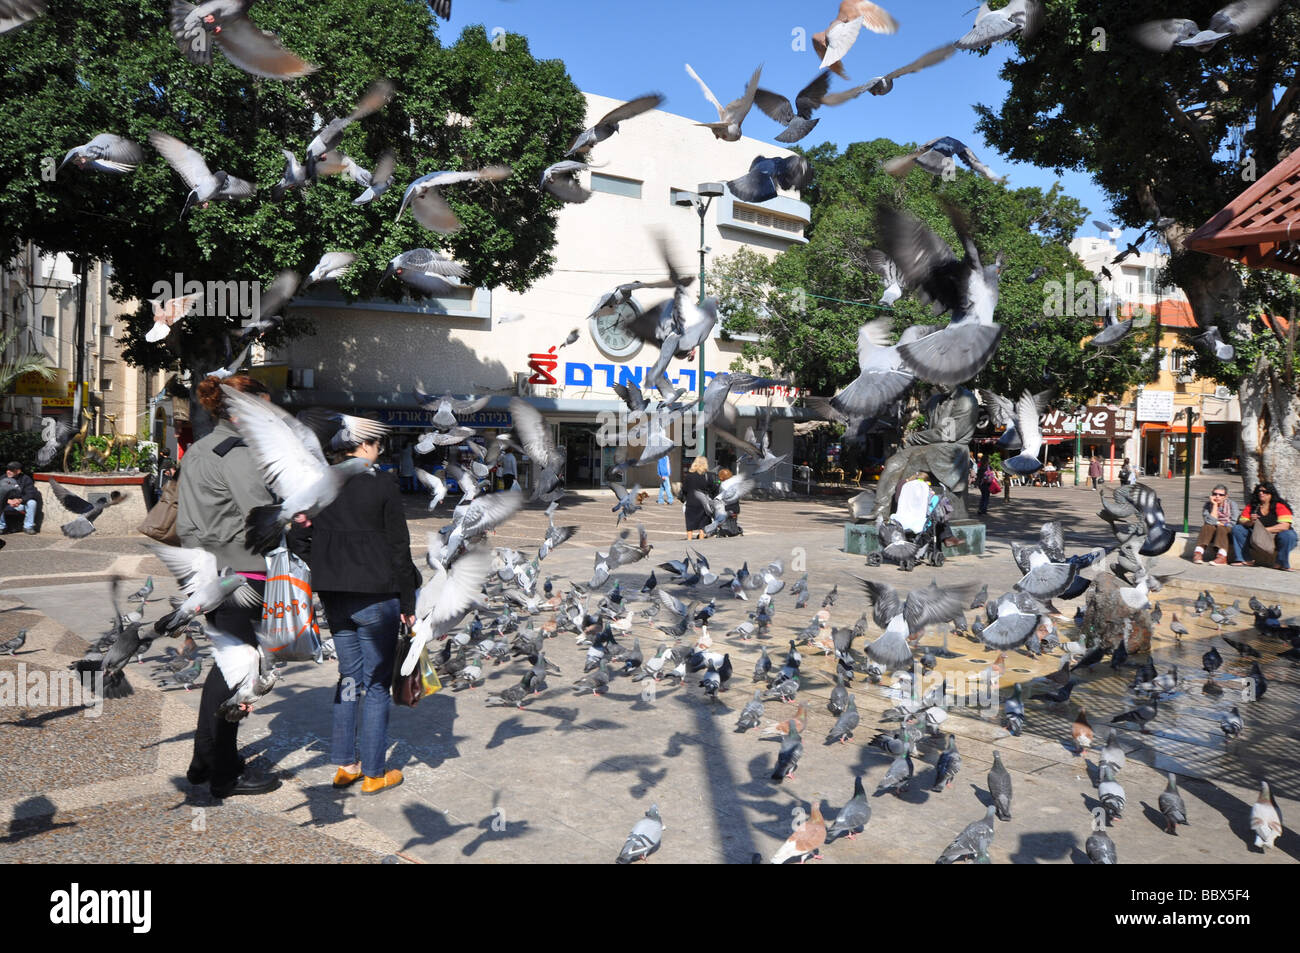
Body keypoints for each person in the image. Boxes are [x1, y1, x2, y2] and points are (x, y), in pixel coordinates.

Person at [176, 375, 283, 799]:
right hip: (242, 574)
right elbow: (263, 518)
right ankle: (223, 773)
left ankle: (207, 761)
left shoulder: (201, 448)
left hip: (207, 571)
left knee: (225, 670)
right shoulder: (239, 455)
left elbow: (188, 518)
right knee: (238, 675)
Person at [297, 427, 416, 795]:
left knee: (349, 679)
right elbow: (399, 545)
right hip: (377, 593)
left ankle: (346, 765)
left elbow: (296, 536)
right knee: (377, 685)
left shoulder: (318, 483)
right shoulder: (382, 484)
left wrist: (326, 565)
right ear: (363, 446)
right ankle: (376, 772)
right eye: (377, 444)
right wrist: (408, 602)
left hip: (334, 595)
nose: (378, 451)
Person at [1231, 482, 1297, 570]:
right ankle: (1244, 559)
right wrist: (1250, 521)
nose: (1261, 493)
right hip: (1257, 537)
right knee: (1238, 529)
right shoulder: (1252, 506)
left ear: (1271, 494)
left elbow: (1285, 526)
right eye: (1259, 491)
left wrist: (1264, 530)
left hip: (1276, 536)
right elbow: (1242, 520)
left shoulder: (1280, 506)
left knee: (1289, 535)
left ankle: (1281, 563)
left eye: (1264, 492)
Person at [1194, 484, 1236, 565]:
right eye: (1214, 494)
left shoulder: (1232, 504)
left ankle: (1222, 557)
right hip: (1212, 532)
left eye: (1221, 495)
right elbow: (1208, 521)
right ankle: (1198, 553)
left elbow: (1233, 522)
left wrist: (1221, 524)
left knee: (1221, 528)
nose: (1217, 496)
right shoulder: (1208, 505)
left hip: (1227, 532)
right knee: (1207, 527)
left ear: (1225, 496)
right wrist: (1215, 505)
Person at [2, 460, 39, 535]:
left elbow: (31, 493)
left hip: (20, 504)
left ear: (18, 471)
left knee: (32, 502)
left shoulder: (26, 479)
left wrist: (20, 500)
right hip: (6, 504)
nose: (8, 472)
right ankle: (1, 527)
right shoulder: (2, 478)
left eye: (11, 470)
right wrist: (8, 501)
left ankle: (28, 527)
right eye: (7, 469)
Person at [682, 456, 713, 540]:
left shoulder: (689, 475)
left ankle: (689, 539)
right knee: (703, 522)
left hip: (691, 501)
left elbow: (684, 489)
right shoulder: (708, 475)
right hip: (703, 502)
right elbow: (712, 488)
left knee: (690, 522)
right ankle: (701, 539)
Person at [715, 467, 742, 537]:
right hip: (735, 508)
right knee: (733, 521)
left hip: (726, 508)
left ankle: (723, 532)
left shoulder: (723, 485)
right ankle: (736, 531)